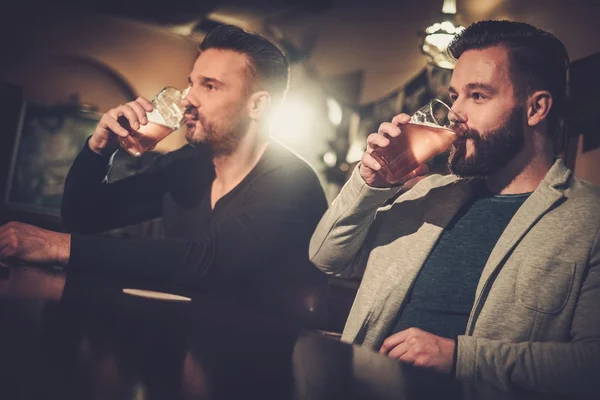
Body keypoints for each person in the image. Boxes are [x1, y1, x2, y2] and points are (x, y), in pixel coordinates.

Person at [310, 20, 600, 398]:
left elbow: (590, 365)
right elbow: (327, 256)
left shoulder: (588, 218)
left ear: (536, 108)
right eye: (454, 94)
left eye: (477, 95)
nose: (454, 112)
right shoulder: (430, 192)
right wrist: (370, 184)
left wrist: (460, 357)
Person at [0, 25, 328, 328]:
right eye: (191, 83)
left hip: (262, 366)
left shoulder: (291, 182)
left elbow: (205, 262)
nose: (188, 99)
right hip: (185, 348)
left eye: (209, 86)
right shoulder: (189, 165)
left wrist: (55, 246)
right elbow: (84, 216)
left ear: (257, 106)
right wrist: (99, 149)